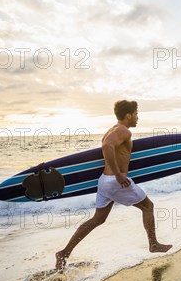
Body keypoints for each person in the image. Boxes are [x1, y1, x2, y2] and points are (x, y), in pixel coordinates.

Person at [55, 100, 172, 270]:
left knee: (98, 219)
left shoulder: (113, 129)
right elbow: (107, 145)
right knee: (148, 207)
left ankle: (64, 253)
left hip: (104, 181)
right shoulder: (123, 131)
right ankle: (153, 244)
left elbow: (111, 147)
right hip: (115, 182)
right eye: (136, 114)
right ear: (128, 115)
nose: (138, 117)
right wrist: (118, 174)